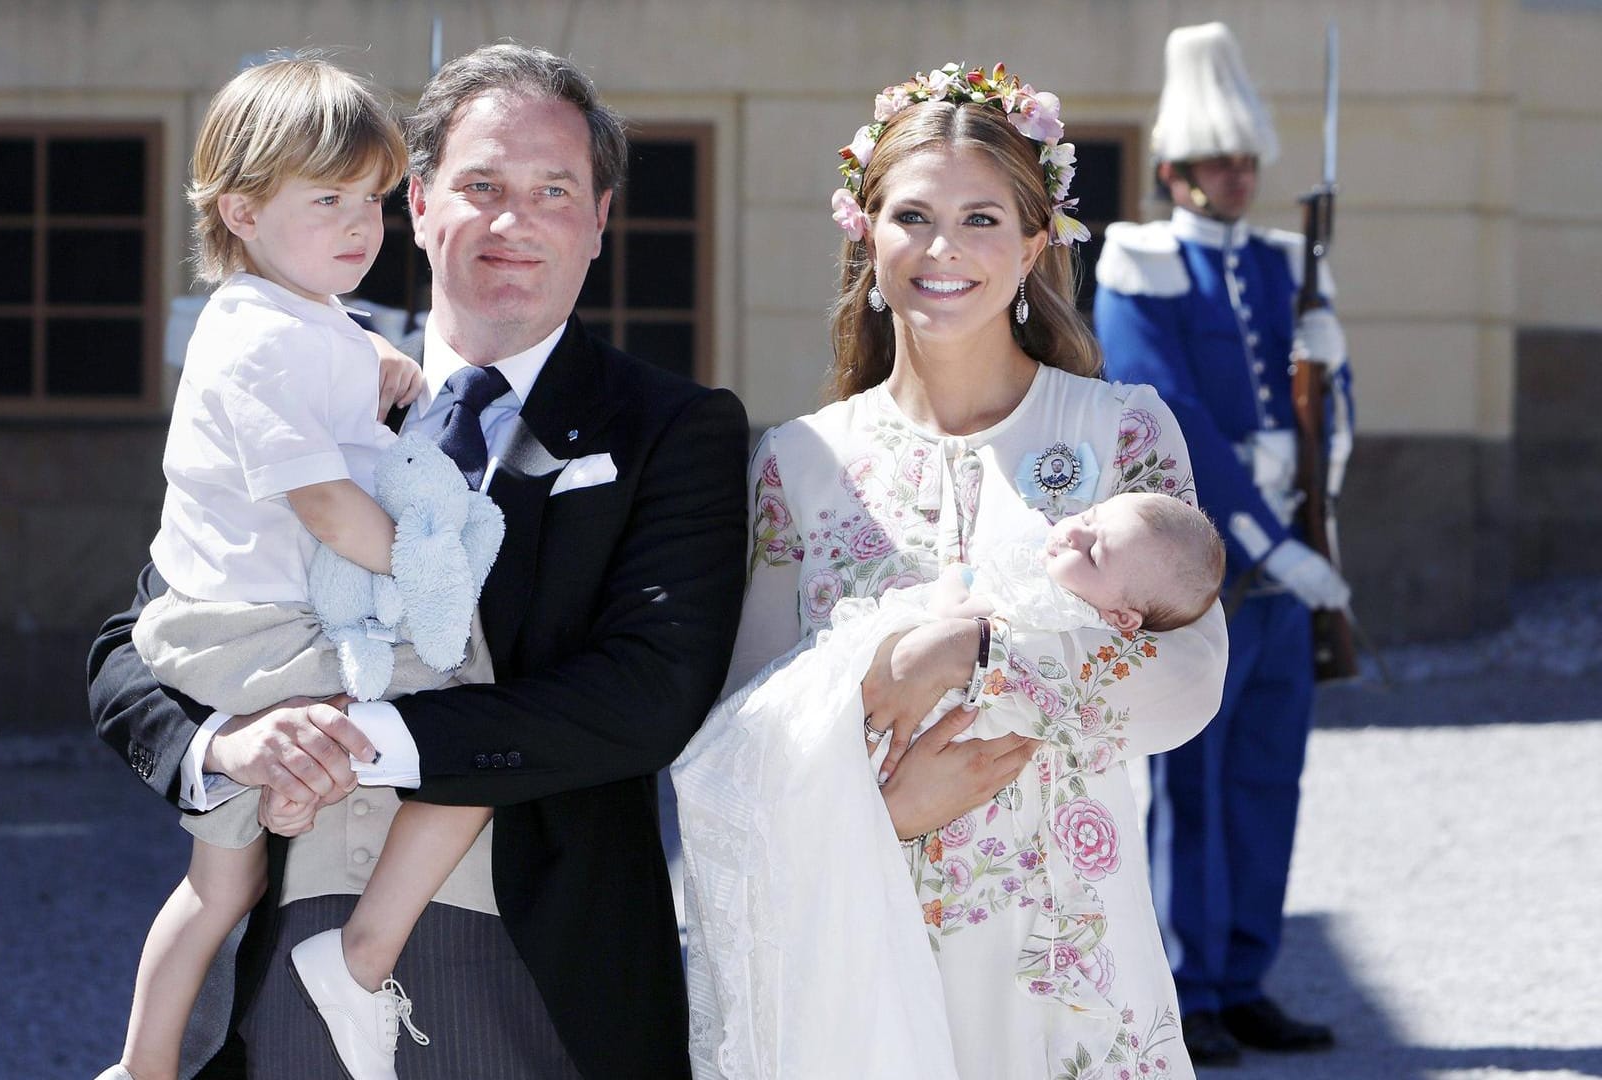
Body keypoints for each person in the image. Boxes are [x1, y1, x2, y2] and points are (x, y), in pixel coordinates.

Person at [90, 42, 751, 1080]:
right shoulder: (314, 377)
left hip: (534, 963)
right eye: (480, 185)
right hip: (281, 942)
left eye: (553, 189)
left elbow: (649, 694)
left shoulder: (678, 428)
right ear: (420, 204)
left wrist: (369, 739)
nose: (513, 218)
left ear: (599, 219)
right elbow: (136, 643)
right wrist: (224, 749)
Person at [674, 62, 1231, 1079]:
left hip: (1074, 969)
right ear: (864, 232)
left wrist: (975, 655)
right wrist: (880, 814)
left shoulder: (1122, 433)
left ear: (1034, 242)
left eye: (981, 219)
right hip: (862, 954)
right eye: (913, 216)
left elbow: (1185, 684)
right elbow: (738, 742)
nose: (943, 250)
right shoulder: (796, 464)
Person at [94, 53, 525, 1080]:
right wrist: (433, 582)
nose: (358, 225)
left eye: (372, 199)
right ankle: (363, 958)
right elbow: (328, 504)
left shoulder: (302, 322)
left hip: (246, 623)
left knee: (221, 884)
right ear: (239, 211)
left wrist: (371, 367)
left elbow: (327, 402)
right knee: (486, 718)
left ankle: (142, 1067)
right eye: (326, 198)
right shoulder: (256, 342)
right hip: (248, 633)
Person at [1093, 22, 1355, 1065]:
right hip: (1206, 566)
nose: (1239, 177)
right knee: (1191, 780)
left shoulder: (1291, 269)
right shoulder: (1142, 268)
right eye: (1218, 162)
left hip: (1291, 557)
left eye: (1248, 161)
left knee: (1267, 775)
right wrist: (1267, 540)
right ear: (1173, 173)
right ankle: (1184, 987)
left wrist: (1333, 378)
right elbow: (1180, 421)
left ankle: (1243, 976)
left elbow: (1325, 413)